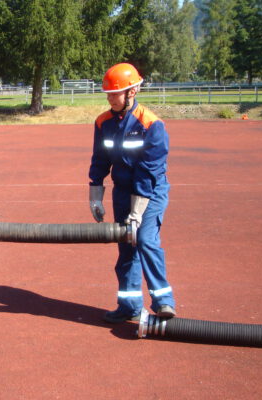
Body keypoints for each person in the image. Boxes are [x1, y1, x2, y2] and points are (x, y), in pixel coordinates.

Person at [87, 62, 176, 323]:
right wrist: (95, 196)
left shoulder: (151, 124)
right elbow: (100, 159)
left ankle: (163, 302)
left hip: (151, 192)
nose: (110, 98)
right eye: (108, 94)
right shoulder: (103, 122)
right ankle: (129, 306)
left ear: (133, 91)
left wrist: (137, 212)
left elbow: (149, 171)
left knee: (145, 240)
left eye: (115, 93)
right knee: (126, 249)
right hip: (122, 192)